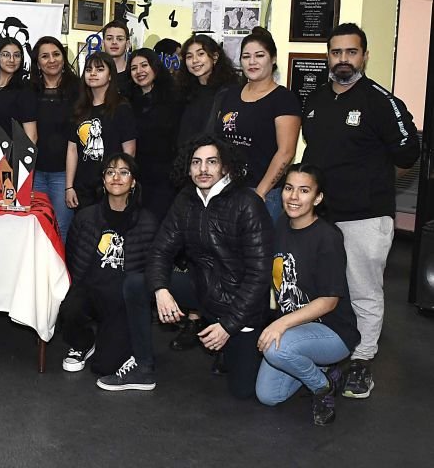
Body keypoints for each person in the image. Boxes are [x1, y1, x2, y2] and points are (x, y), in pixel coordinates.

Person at [99, 136, 272, 398]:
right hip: (202, 289)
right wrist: (161, 289)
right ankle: (143, 367)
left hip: (240, 304)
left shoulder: (247, 203)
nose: (203, 169)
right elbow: (160, 250)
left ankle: (240, 346)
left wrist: (228, 325)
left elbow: (259, 277)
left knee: (244, 392)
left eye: (211, 162)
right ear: (188, 168)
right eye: (196, 163)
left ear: (224, 167)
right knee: (136, 283)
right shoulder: (186, 200)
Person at [302, 22, 419, 399]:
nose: (343, 60)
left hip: (365, 216)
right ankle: (331, 347)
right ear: (328, 57)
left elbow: (408, 154)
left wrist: (374, 181)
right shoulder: (317, 99)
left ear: (364, 56)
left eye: (351, 52)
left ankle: (361, 362)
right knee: (326, 288)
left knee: (363, 290)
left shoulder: (381, 102)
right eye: (336, 52)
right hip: (321, 216)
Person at [255, 164, 360, 426]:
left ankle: (322, 387)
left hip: (332, 332)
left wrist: (279, 323)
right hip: (297, 330)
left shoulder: (327, 237)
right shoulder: (280, 226)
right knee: (269, 396)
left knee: (277, 350)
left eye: (304, 190)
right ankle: (324, 371)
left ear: (318, 197)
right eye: (289, 188)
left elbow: (329, 300)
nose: (293, 197)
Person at [59, 153, 158, 378]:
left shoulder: (147, 222)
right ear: (103, 180)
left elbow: (151, 268)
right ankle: (83, 343)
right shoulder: (85, 218)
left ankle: (118, 340)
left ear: (133, 182)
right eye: (110, 172)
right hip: (91, 292)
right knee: (69, 308)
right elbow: (73, 255)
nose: (116, 177)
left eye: (124, 172)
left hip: (122, 302)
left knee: (104, 367)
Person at [215, 27, 300, 223]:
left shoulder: (283, 99)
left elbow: (286, 152)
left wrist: (260, 193)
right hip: (226, 190)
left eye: (259, 55)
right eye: (246, 56)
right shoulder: (230, 94)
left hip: (263, 193)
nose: (252, 62)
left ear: (273, 59)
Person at [65, 52, 137, 211]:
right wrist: (69, 187)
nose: (93, 73)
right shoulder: (79, 108)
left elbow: (129, 151)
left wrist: (120, 183)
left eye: (99, 69)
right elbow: (72, 150)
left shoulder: (122, 108)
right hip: (83, 188)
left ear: (110, 75)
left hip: (112, 187)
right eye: (89, 69)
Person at [31, 36, 81, 241]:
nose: (51, 60)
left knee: (60, 229)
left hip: (64, 174)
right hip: (35, 173)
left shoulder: (78, 89)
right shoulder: (30, 90)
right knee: (36, 228)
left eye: (56, 54)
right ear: (38, 63)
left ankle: (60, 273)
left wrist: (70, 184)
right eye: (45, 56)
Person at [128, 48, 181, 222]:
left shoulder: (174, 97)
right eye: (134, 68)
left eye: (144, 65)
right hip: (137, 173)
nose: (139, 71)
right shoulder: (127, 101)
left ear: (155, 67)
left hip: (165, 175)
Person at [175, 34, 238, 147]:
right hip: (186, 158)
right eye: (189, 57)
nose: (194, 60)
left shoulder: (229, 91)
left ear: (215, 57)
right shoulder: (183, 91)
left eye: (201, 54)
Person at [101, 20, 134, 99]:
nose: (114, 42)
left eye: (119, 39)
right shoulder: (95, 74)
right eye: (109, 39)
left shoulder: (134, 74)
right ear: (103, 43)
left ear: (127, 44)